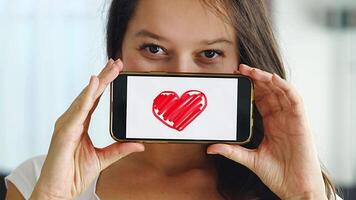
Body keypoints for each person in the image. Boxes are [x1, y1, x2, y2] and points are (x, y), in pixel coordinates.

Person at [5, 0, 340, 199]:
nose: (181, 77)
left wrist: (304, 196)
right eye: (154, 49)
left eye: (209, 53)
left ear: (245, 64)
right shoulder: (39, 179)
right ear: (117, 53)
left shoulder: (301, 187)